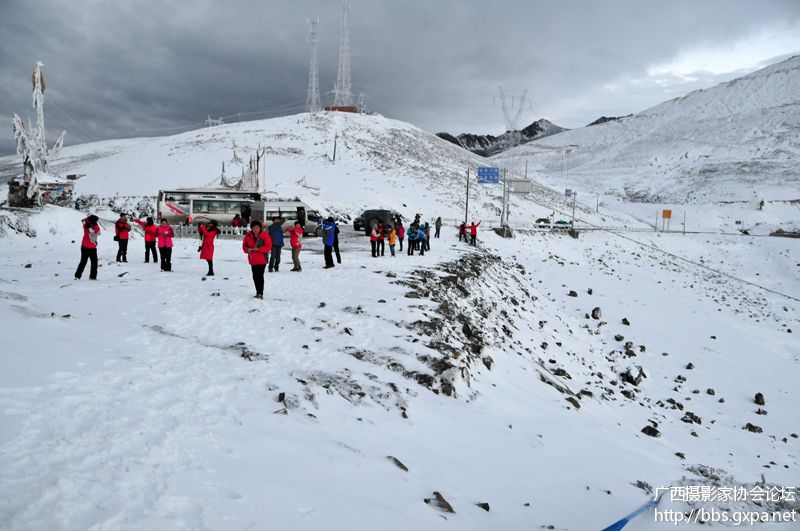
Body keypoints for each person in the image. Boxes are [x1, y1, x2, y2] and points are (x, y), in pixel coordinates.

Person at [242, 220, 271, 299]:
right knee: (255, 276)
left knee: (260, 276)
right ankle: (257, 292)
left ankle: (260, 293)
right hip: (253, 259)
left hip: (262, 259)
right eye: (254, 228)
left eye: (257, 227)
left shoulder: (264, 235)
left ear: (260, 228)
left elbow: (268, 247)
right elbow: (244, 246)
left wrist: (259, 249)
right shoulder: (248, 235)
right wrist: (247, 250)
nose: (255, 229)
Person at [75, 215, 100, 280]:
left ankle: (77, 276)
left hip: (84, 246)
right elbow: (98, 232)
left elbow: (83, 220)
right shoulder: (96, 227)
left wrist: (88, 219)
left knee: (83, 262)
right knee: (94, 263)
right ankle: (93, 277)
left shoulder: (85, 225)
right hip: (92, 247)